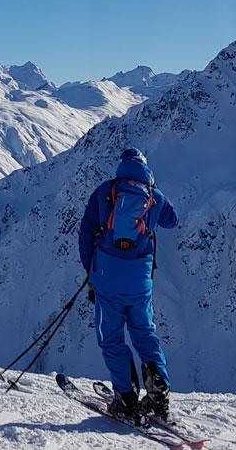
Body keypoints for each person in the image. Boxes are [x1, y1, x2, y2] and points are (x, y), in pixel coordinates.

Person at [79, 148, 179, 422]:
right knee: (145, 333)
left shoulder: (105, 192)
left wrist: (91, 270)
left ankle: (126, 398)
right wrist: (154, 194)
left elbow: (86, 232)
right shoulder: (154, 197)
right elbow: (173, 220)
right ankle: (159, 397)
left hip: (107, 277)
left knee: (112, 338)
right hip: (140, 281)